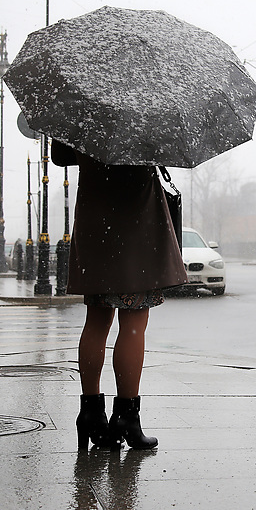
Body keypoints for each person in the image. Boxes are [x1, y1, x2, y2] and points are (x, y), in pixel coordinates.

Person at [52, 139, 186, 451]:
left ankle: (90, 415)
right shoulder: (145, 116)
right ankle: (127, 416)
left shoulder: (82, 111)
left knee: (96, 323)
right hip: (135, 227)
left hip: (96, 227)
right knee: (134, 325)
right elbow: (169, 151)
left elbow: (60, 156)